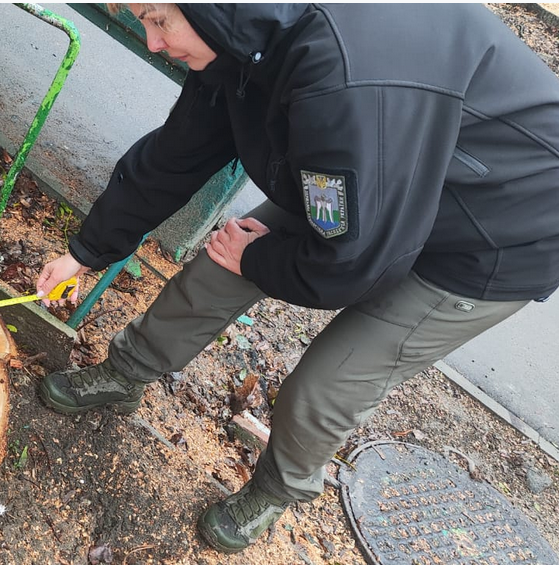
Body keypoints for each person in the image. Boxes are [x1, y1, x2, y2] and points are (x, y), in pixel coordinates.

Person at [34, 3, 559, 554]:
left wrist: (259, 261)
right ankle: (127, 372)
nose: (152, 43)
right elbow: (175, 157)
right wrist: (86, 252)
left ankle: (276, 488)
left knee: (332, 380)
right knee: (222, 261)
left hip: (496, 232)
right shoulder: (239, 36)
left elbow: (354, 261)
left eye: (158, 20)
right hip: (379, 177)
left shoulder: (338, 87)